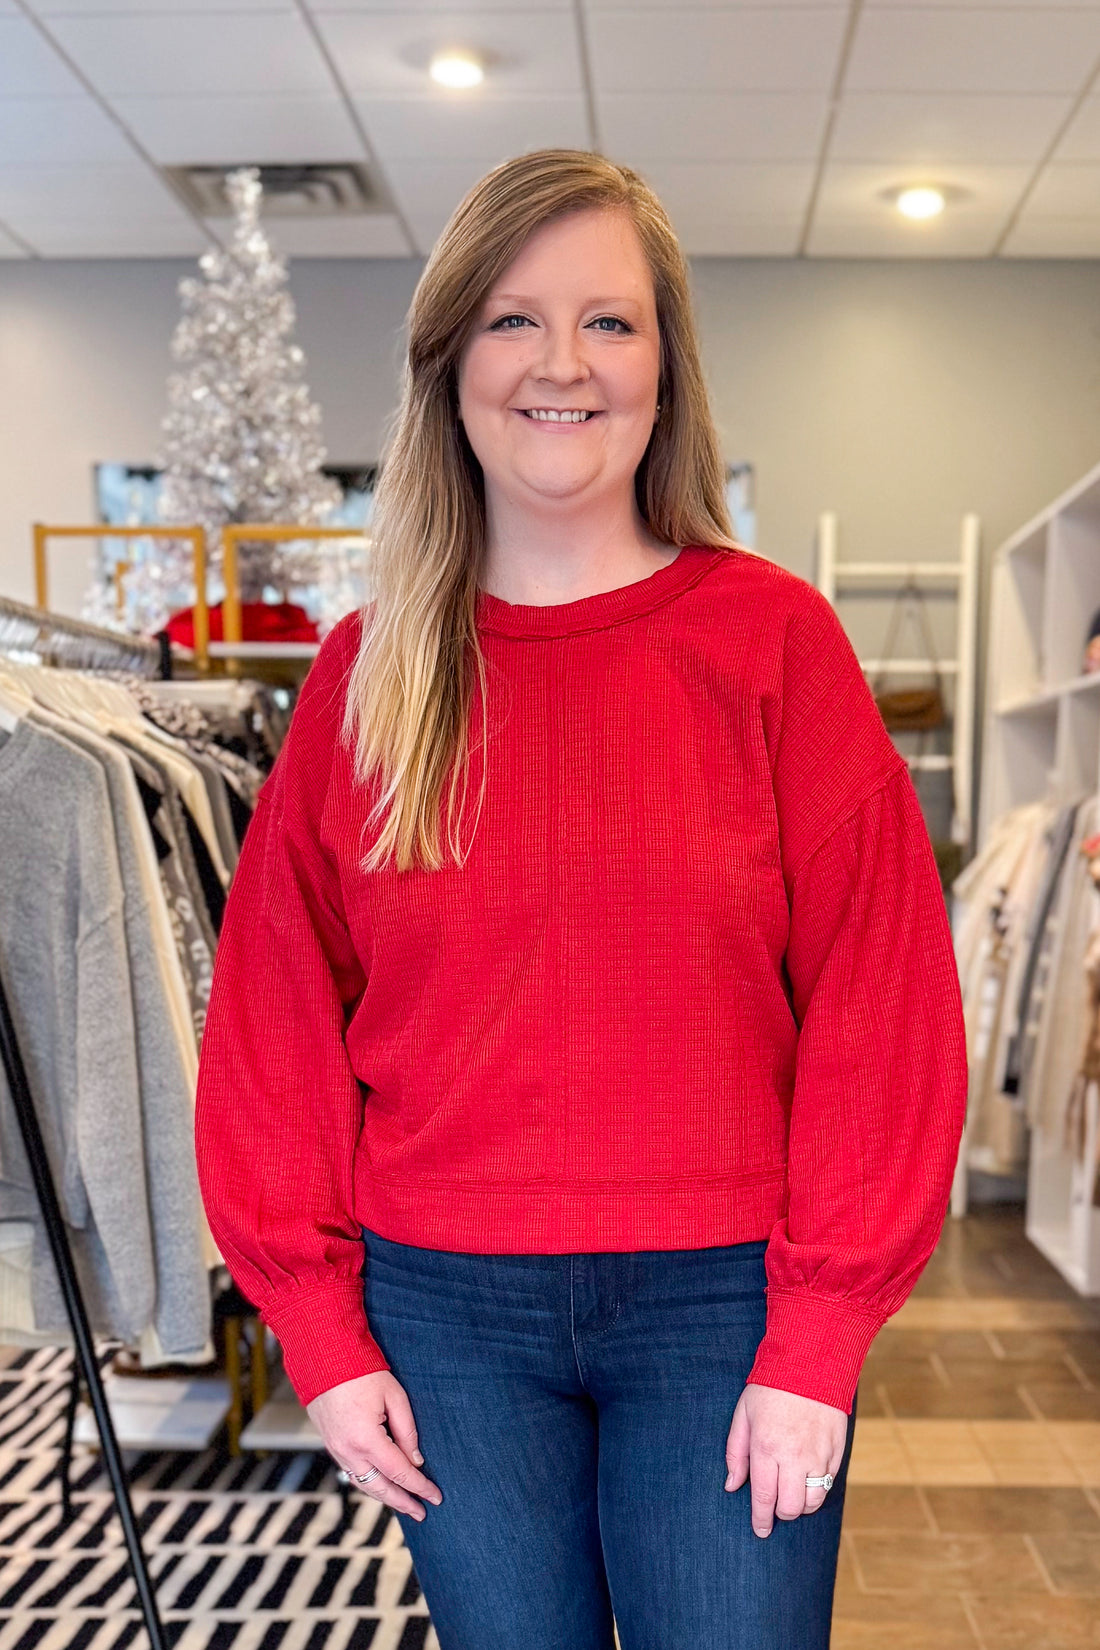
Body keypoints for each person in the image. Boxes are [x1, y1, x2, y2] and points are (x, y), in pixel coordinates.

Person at [194, 148, 968, 1649]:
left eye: (609, 322)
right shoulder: (370, 673)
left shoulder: (772, 644)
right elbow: (278, 1011)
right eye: (511, 319)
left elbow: (883, 992)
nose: (562, 363)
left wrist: (820, 1333)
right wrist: (319, 1325)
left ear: (666, 366)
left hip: (728, 1304)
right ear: (450, 364)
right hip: (447, 1312)